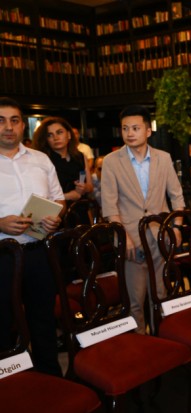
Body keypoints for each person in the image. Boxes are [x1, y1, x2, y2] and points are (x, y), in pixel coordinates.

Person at [101, 105, 185, 334]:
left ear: (148, 131)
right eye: (125, 128)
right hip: (130, 238)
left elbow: (176, 196)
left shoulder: (163, 158)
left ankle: (162, 341)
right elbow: (109, 204)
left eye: (136, 128)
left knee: (161, 295)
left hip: (160, 235)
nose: (130, 133)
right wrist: (123, 237)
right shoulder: (111, 161)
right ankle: (140, 343)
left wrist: (177, 227)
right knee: (135, 300)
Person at [0, 97, 65, 376]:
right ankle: (10, 384)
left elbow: (58, 198)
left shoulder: (41, 159)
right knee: (2, 323)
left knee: (43, 319)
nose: (8, 127)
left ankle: (50, 378)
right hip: (2, 255)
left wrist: (55, 217)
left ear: (23, 126)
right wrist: (0, 223)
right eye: (1, 120)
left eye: (14, 120)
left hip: (39, 251)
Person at [33, 117, 94, 206]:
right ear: (46, 140)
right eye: (50, 135)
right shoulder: (43, 160)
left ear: (69, 135)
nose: (56, 138)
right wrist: (67, 196)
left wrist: (84, 188)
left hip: (81, 208)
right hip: (56, 210)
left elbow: (90, 187)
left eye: (59, 132)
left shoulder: (80, 156)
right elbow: (41, 197)